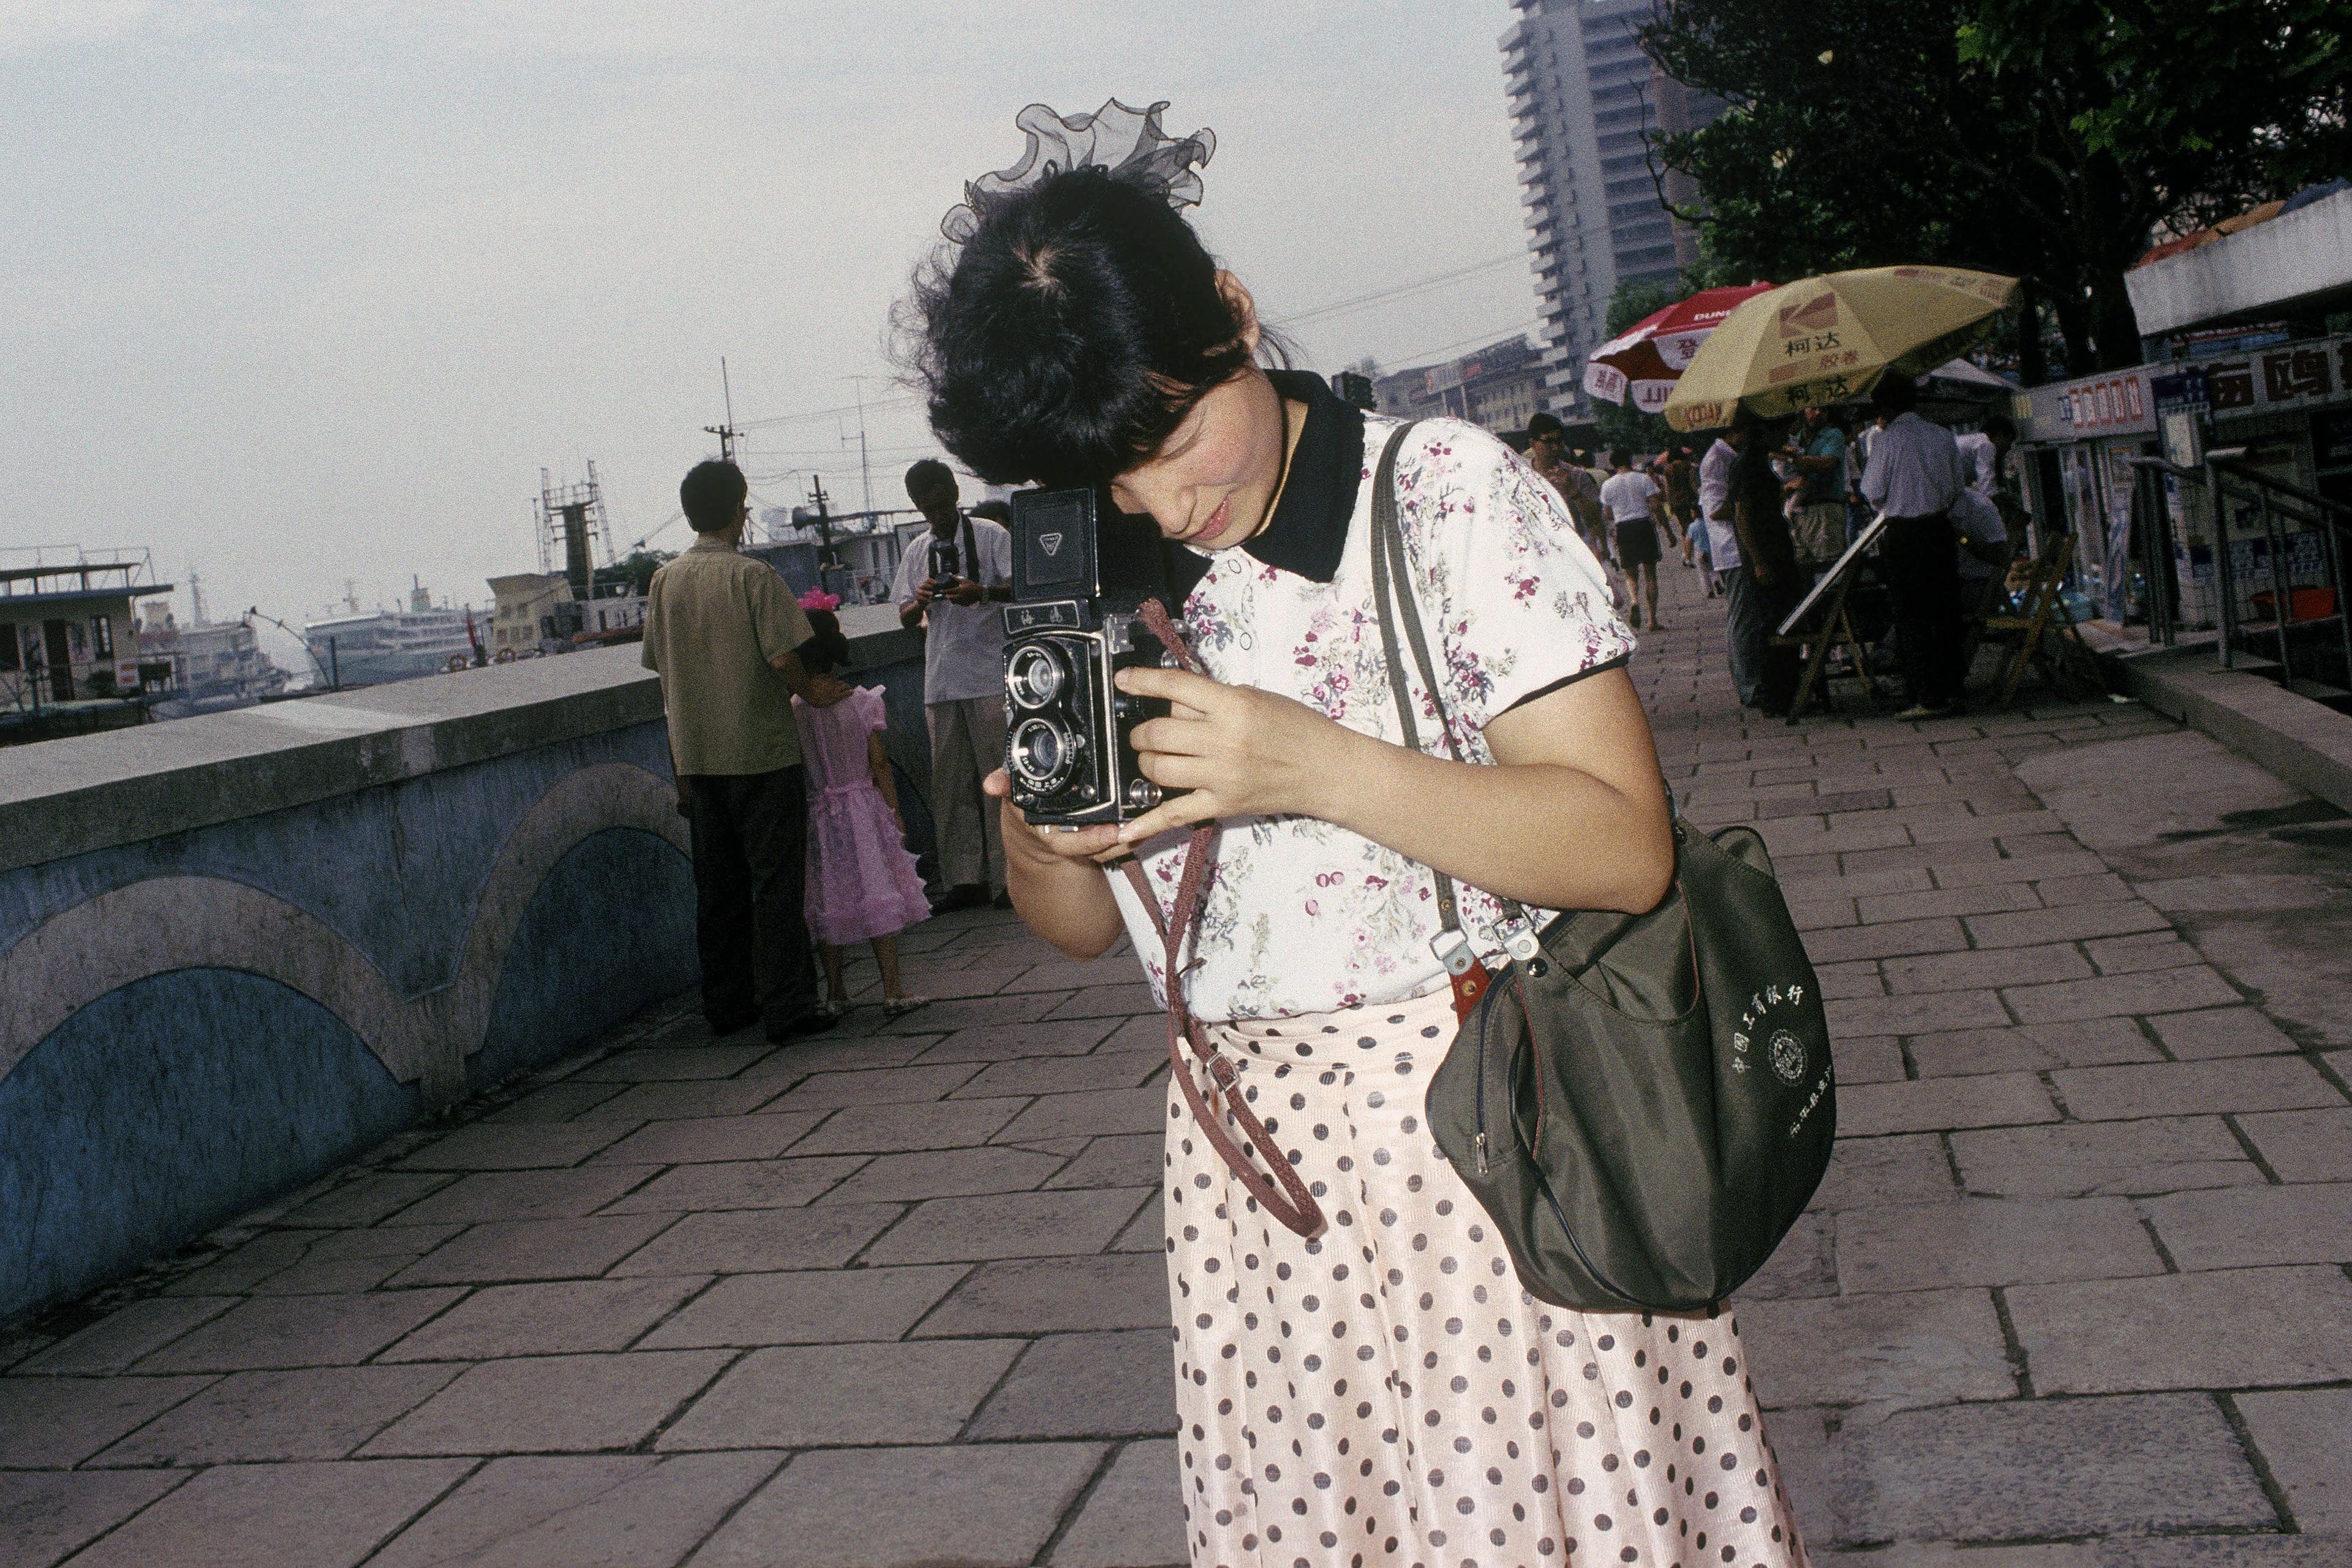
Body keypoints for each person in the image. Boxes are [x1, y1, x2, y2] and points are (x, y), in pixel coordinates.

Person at [905, 140, 1808, 1568]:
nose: (1158, 503)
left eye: (1168, 437)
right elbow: (1081, 923)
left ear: (1233, 312)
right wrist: (1037, 830)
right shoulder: (1099, 575)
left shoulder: (1438, 495)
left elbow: (1622, 844)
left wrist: (1306, 764)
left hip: (1482, 1156)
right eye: (1102, 474)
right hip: (1243, 1195)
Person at [641, 459, 850, 1041]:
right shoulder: (753, 578)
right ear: (739, 509)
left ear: (689, 515)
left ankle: (727, 1004)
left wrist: (679, 761)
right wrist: (818, 693)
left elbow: (663, 674)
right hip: (760, 753)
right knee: (777, 885)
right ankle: (789, 1008)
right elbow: (785, 657)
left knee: (719, 891)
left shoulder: (664, 581)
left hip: (698, 758)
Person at [790, 600, 933, 1020]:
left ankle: (836, 992)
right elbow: (880, 764)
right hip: (863, 809)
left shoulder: (795, 709)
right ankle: (892, 989)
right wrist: (894, 811)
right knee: (877, 891)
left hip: (818, 810)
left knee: (826, 897)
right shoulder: (861, 702)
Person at [892, 458, 1016, 910]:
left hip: (988, 675)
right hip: (941, 680)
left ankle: (1009, 878)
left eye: (942, 505)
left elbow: (1022, 587)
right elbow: (905, 615)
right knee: (952, 786)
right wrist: (921, 600)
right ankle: (966, 880)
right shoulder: (916, 549)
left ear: (954, 494)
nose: (936, 516)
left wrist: (980, 591)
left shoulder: (990, 535)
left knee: (999, 781)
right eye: (927, 509)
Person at [1861, 374, 1972, 717]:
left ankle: (1927, 695)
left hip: (1905, 535)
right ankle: (1953, 688)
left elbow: (1873, 491)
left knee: (1911, 615)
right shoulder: (1942, 436)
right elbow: (1957, 486)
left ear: (1883, 408)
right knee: (1945, 611)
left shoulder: (1886, 442)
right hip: (1939, 530)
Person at [1728, 412, 1804, 715]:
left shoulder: (1758, 462)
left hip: (1774, 549)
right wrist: (1759, 561)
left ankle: (1787, 689)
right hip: (1765, 554)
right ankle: (1777, 694)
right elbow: (1743, 514)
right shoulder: (1747, 466)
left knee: (1784, 618)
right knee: (1773, 624)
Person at [1599, 445, 1671, 630]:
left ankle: (1633, 601)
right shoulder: (1643, 479)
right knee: (1650, 574)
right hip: (1644, 526)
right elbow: (1656, 506)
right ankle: (1653, 620)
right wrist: (1669, 531)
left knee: (1630, 574)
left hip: (1624, 528)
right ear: (1631, 461)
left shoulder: (1608, 485)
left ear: (1612, 464)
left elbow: (1607, 513)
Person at [1784, 404, 1851, 573]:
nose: (1819, 413)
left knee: (1829, 569)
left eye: (1824, 409)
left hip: (1824, 510)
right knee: (1803, 570)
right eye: (1813, 409)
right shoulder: (1795, 439)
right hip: (1798, 512)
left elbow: (1827, 464)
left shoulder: (1833, 435)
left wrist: (1793, 458)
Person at [1954, 413, 2016, 499]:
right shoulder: (1986, 444)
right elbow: (1987, 486)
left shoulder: (1974, 440)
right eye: (2008, 441)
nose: (2008, 448)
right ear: (2000, 435)